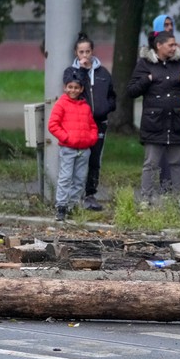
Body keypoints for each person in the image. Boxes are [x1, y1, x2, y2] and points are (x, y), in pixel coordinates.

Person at [127, 31, 180, 204]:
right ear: (159, 45)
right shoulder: (144, 64)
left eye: (175, 44)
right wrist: (148, 79)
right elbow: (132, 91)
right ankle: (146, 199)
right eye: (171, 45)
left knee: (177, 163)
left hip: (175, 122)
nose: (175, 48)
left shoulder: (178, 63)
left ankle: (179, 199)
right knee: (151, 163)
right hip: (154, 123)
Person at [151, 14, 180, 191]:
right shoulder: (151, 55)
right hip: (157, 109)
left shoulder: (178, 51)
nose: (169, 27)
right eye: (166, 24)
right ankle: (167, 185)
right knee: (161, 151)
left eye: (171, 24)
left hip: (177, 106)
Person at [72, 32, 116, 211]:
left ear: (92, 52)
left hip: (99, 123)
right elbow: (72, 91)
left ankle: (90, 194)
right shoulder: (73, 72)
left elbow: (112, 96)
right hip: (79, 124)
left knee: (95, 159)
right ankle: (76, 195)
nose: (85, 55)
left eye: (87, 51)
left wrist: (106, 108)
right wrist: (82, 70)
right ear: (76, 53)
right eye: (81, 52)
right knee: (79, 159)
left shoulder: (103, 72)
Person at [48, 67, 99, 221]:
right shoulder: (61, 104)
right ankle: (61, 206)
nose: (73, 90)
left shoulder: (85, 106)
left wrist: (91, 139)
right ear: (65, 87)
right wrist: (67, 138)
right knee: (65, 177)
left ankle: (72, 205)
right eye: (70, 87)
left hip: (84, 149)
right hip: (68, 148)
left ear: (81, 89)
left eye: (76, 87)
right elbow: (53, 125)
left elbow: (92, 126)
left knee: (79, 178)